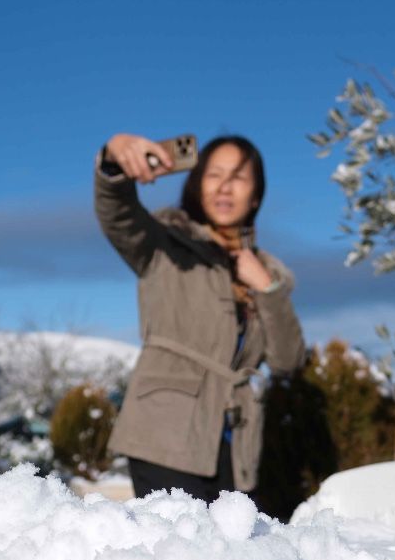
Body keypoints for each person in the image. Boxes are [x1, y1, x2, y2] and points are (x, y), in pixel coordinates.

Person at [95, 132, 306, 502]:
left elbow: (287, 360)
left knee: (230, 556)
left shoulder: (269, 271)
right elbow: (119, 214)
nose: (225, 187)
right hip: (164, 434)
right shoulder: (163, 241)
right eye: (214, 174)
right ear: (196, 184)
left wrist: (267, 289)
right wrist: (115, 160)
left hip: (237, 448)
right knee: (178, 557)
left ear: (255, 195)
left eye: (238, 177)